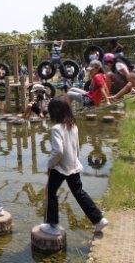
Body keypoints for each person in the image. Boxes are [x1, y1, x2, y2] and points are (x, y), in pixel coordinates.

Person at [40, 97, 108, 235]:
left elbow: (58, 151)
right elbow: (77, 147)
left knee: (51, 193)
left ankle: (52, 225)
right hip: (73, 165)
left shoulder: (56, 129)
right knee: (79, 193)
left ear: (54, 112)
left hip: (59, 167)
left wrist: (49, 164)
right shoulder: (73, 126)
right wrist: (75, 160)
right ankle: (99, 219)